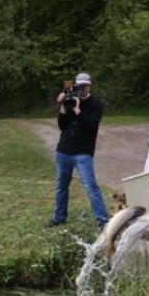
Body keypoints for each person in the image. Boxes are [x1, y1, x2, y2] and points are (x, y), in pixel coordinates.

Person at [46, 72, 109, 229]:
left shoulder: (95, 105)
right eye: (79, 86)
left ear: (89, 86)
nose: (82, 89)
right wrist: (63, 106)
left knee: (90, 186)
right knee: (61, 185)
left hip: (83, 152)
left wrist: (77, 109)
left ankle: (103, 220)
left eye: (84, 86)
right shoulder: (70, 101)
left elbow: (91, 126)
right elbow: (62, 126)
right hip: (64, 150)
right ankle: (59, 217)